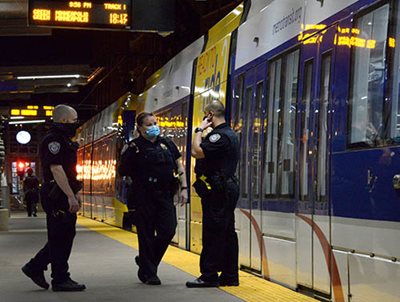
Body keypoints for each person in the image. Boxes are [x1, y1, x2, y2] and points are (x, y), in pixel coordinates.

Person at [118, 112, 188, 285]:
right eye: (149, 124)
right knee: (146, 235)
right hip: (143, 196)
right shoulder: (133, 147)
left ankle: (146, 262)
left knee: (168, 230)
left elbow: (179, 165)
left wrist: (184, 187)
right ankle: (150, 273)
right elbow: (123, 172)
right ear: (140, 128)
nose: (154, 127)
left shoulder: (167, 144)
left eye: (155, 123)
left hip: (165, 194)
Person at [21, 104, 86, 292]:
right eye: (74, 120)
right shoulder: (54, 141)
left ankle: (35, 267)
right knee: (60, 236)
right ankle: (59, 278)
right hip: (56, 194)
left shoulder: (64, 139)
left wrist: (75, 192)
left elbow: (70, 172)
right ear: (64, 120)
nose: (76, 124)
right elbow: (56, 170)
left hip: (64, 193)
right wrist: (69, 197)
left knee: (64, 235)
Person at [186, 100, 240, 288]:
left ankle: (209, 274)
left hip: (218, 190)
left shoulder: (219, 136)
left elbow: (196, 151)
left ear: (210, 115)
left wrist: (199, 130)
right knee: (226, 232)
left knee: (213, 232)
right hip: (226, 187)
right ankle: (229, 274)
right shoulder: (230, 134)